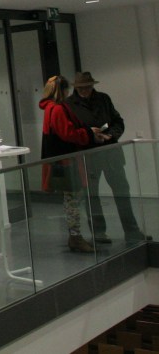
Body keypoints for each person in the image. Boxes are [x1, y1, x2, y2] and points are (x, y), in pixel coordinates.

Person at [66, 71, 147, 243]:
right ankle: (99, 233)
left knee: (122, 192)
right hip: (88, 155)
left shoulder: (103, 99)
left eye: (87, 87)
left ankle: (132, 231)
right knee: (91, 196)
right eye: (81, 88)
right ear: (76, 88)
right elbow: (70, 132)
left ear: (92, 86)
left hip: (110, 152)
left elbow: (118, 121)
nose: (85, 91)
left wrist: (110, 135)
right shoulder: (69, 105)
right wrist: (90, 135)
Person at [39, 76, 105, 253]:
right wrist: (88, 133)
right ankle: (75, 237)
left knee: (71, 199)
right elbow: (68, 133)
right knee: (72, 200)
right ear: (63, 90)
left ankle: (75, 236)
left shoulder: (50, 108)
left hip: (62, 160)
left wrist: (86, 131)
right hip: (67, 161)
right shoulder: (58, 108)